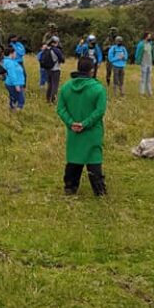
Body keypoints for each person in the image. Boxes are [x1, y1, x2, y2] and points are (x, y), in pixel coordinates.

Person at [57, 56, 108, 196]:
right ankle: (99, 190)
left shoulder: (66, 87)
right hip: (92, 132)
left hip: (73, 131)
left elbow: (60, 109)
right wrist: (85, 124)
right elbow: (100, 111)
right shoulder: (98, 89)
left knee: (74, 157)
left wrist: (71, 122)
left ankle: (70, 186)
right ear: (92, 70)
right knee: (93, 159)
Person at [2, 45, 26, 111]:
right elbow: (12, 74)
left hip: (13, 83)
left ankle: (12, 109)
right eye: (15, 53)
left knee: (14, 98)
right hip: (14, 84)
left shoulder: (10, 61)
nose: (16, 55)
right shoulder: (10, 63)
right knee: (20, 100)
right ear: (11, 53)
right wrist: (16, 85)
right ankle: (17, 111)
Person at [43, 36, 64, 104]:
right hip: (56, 69)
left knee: (49, 85)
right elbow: (62, 59)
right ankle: (53, 100)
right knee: (55, 85)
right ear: (56, 42)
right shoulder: (57, 50)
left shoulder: (47, 49)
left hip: (48, 69)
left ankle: (47, 99)